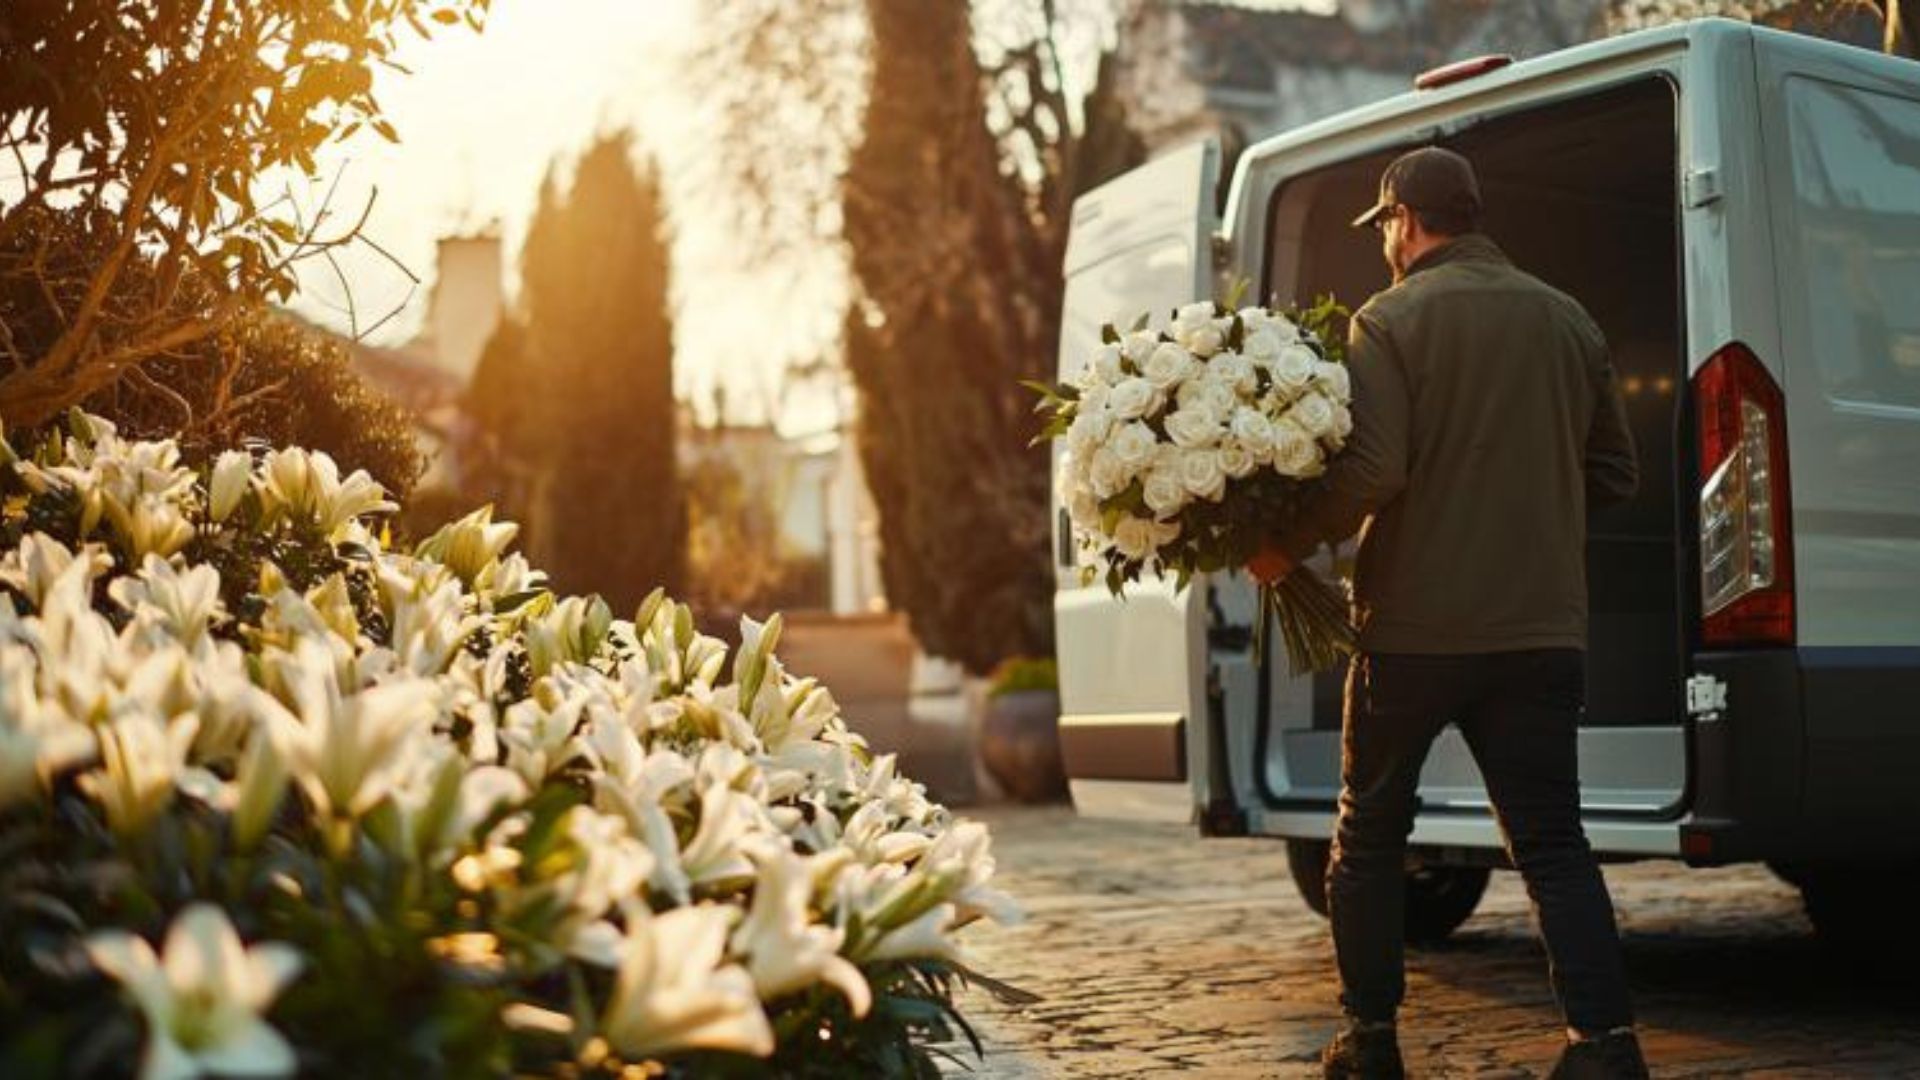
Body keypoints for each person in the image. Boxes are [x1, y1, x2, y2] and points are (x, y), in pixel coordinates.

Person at [1248, 146, 1648, 1080]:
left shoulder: (1387, 321)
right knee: (1553, 843)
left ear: (1407, 222)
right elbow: (1617, 475)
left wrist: (1289, 543)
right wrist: (1527, 510)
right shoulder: (1569, 319)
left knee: (1370, 835)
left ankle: (1372, 1043)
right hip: (1542, 632)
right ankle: (1606, 1046)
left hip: (1414, 633)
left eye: (1385, 224)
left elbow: (1376, 471)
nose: (1386, 240)